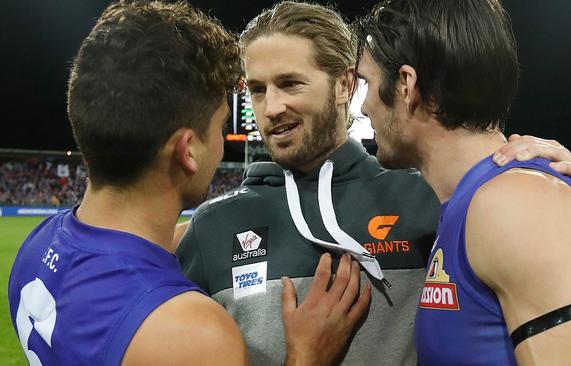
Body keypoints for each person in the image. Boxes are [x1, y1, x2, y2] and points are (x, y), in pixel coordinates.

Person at [176, 1, 571, 364]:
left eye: (290, 83)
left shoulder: (432, 197)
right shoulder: (212, 226)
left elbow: (552, 257)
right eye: (256, 90)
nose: (270, 107)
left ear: (344, 86)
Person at [7, 1, 369, 365]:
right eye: (220, 125)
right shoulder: (193, 334)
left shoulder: (36, 246)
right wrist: (305, 356)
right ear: (187, 150)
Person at [354, 0, 571, 364]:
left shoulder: (516, 205)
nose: (363, 108)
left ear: (406, 85)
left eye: (368, 83)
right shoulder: (476, 201)